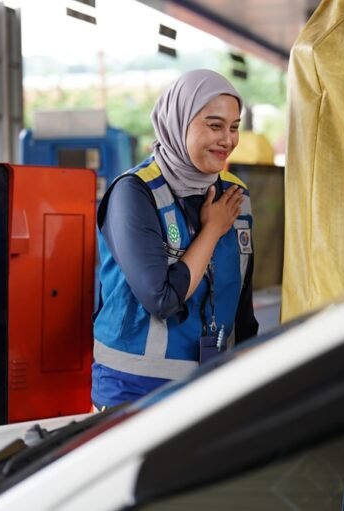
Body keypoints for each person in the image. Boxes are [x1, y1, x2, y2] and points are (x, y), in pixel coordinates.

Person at [91, 69, 259, 410]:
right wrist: (211, 231)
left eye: (234, 126)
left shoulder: (234, 196)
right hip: (134, 389)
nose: (227, 139)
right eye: (214, 125)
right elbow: (162, 299)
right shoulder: (133, 194)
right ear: (178, 122)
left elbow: (242, 305)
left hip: (212, 386)